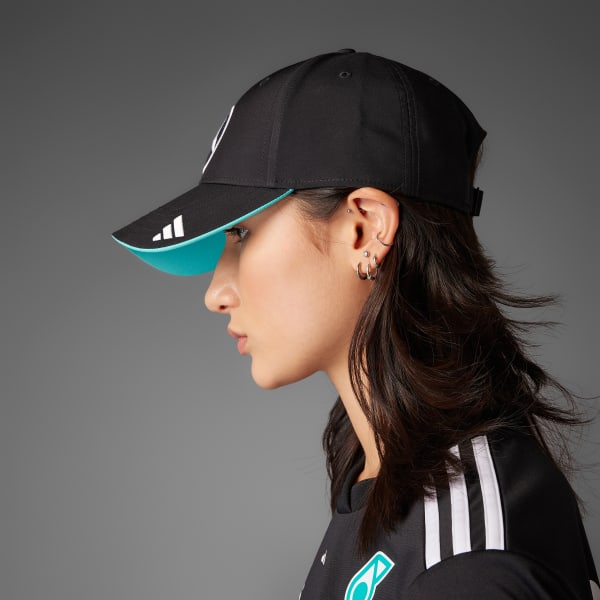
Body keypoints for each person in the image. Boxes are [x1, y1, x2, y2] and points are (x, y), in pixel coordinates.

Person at [112, 50, 598, 599]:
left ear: (364, 230)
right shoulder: (381, 469)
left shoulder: (467, 564)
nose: (215, 294)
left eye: (241, 234)